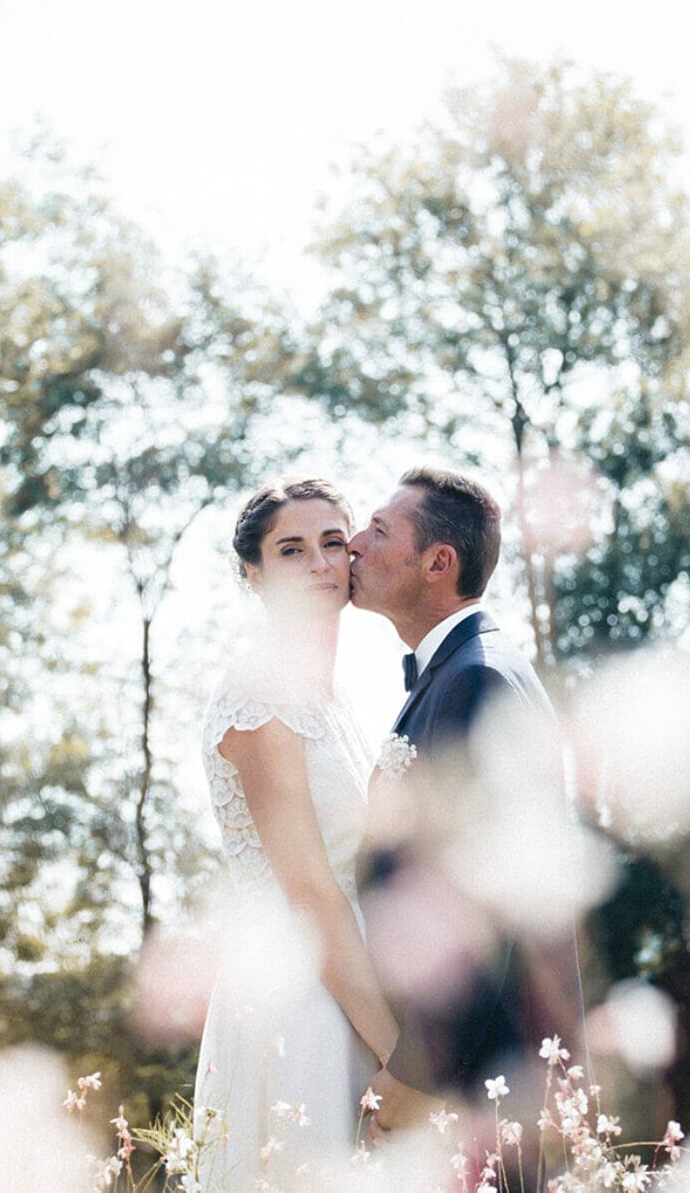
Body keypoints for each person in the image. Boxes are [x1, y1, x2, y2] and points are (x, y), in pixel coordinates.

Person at [348, 466, 577, 1143]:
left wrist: (416, 1072)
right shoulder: (458, 674)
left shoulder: (477, 679)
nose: (355, 543)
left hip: (479, 1087)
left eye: (379, 530)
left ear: (437, 563)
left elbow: (478, 900)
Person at [193, 478, 400, 1189]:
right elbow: (309, 891)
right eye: (290, 550)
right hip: (304, 996)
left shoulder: (331, 698)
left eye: (332, 542)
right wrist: (400, 1057)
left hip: (354, 981)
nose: (318, 563)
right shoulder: (261, 694)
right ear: (253, 575)